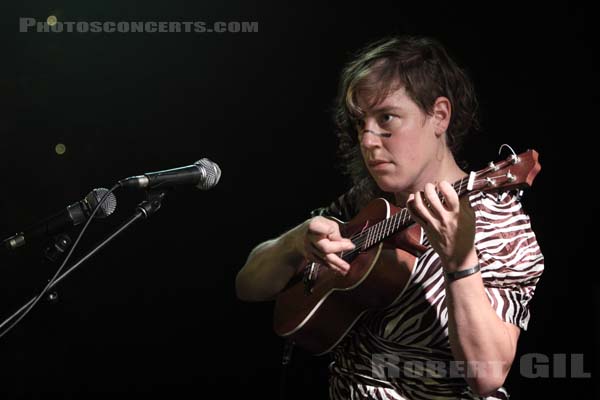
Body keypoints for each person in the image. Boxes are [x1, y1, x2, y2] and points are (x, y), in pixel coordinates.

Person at [235, 35, 544, 399]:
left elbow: (487, 376)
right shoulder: (364, 203)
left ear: (439, 116)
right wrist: (295, 242)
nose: (367, 140)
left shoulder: (501, 224)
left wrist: (460, 263)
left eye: (387, 118)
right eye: (360, 123)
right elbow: (247, 286)